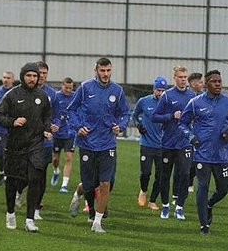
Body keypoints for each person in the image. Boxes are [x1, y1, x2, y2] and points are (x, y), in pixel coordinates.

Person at [65, 57, 130, 233]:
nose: (106, 74)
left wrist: (120, 126)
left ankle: (97, 222)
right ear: (96, 70)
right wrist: (78, 126)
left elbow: (125, 113)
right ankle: (79, 193)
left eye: (108, 70)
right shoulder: (85, 87)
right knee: (89, 184)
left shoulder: (117, 90)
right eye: (102, 70)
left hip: (108, 143)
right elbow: (71, 110)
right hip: (87, 143)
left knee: (106, 183)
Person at [179, 70, 228, 235]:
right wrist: (191, 137)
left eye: (219, 81)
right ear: (207, 83)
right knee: (202, 186)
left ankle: (209, 205)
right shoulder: (195, 103)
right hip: (202, 154)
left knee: (223, 190)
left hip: (222, 154)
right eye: (214, 81)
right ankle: (204, 225)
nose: (218, 84)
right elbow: (183, 123)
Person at [0, 62, 52, 232]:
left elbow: (47, 117)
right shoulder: (12, 95)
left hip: (36, 145)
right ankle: (10, 213)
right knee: (12, 182)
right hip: (15, 145)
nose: (32, 79)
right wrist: (13, 121)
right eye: (29, 75)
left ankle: (29, 219)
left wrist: (47, 130)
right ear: (22, 77)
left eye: (35, 76)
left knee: (35, 179)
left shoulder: (43, 96)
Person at [152, 66, 195, 221]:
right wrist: (171, 115)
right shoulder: (167, 95)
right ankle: (165, 206)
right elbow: (155, 116)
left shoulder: (192, 96)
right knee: (165, 175)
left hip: (185, 143)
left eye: (185, 77)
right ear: (175, 78)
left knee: (185, 174)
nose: (183, 79)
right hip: (168, 143)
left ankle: (179, 207)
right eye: (180, 77)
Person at [132, 76, 167, 211]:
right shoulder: (144, 101)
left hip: (162, 145)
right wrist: (138, 125)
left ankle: (152, 201)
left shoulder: (168, 104)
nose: (160, 93)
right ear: (154, 89)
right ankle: (143, 190)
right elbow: (135, 115)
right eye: (158, 90)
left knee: (160, 175)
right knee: (145, 173)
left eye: (163, 90)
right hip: (146, 143)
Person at [35, 61, 56, 220]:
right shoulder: (22, 92)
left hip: (45, 142)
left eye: (44, 73)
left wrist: (54, 126)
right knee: (24, 175)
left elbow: (56, 115)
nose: (41, 76)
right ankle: (20, 191)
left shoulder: (52, 94)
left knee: (40, 174)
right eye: (39, 73)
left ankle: (36, 208)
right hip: (26, 140)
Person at [50, 77, 76, 193]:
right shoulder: (56, 97)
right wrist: (52, 124)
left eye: (70, 88)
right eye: (66, 88)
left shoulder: (75, 97)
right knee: (55, 159)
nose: (68, 90)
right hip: (57, 133)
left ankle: (64, 185)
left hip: (70, 133)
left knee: (68, 158)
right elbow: (50, 112)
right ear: (62, 86)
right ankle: (56, 171)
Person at [0, 71, 16, 186]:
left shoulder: (16, 92)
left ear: (13, 80)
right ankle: (1, 171)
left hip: (13, 128)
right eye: (4, 77)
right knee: (0, 153)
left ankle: (8, 174)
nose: (6, 79)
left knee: (11, 153)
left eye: (8, 78)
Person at [186, 72, 204, 193]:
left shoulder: (204, 96)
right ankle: (187, 182)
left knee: (198, 160)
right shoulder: (186, 96)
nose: (202, 84)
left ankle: (192, 179)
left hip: (200, 134)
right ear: (193, 83)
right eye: (200, 82)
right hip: (186, 134)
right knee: (188, 161)